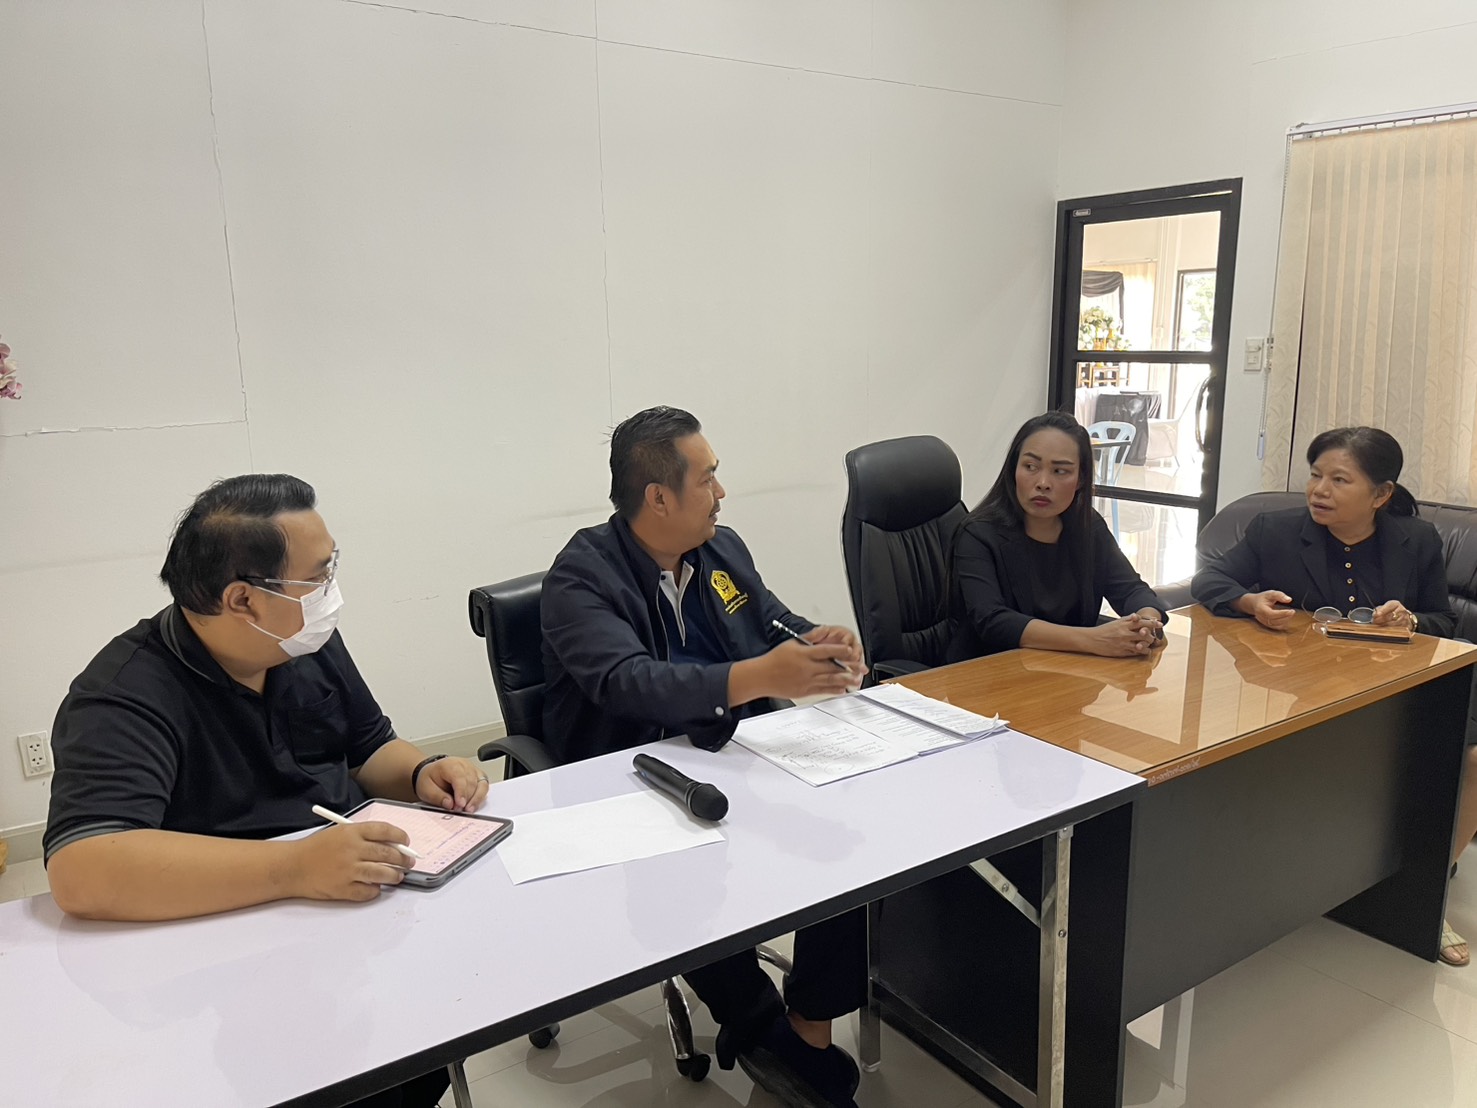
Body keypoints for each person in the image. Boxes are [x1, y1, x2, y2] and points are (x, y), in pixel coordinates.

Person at [43, 474, 489, 1108]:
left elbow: (368, 747)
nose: (331, 591)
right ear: (243, 600)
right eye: (319, 576)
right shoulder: (123, 695)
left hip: (349, 919)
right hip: (227, 948)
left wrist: (422, 771)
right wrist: (294, 867)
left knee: (422, 1043)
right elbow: (83, 870)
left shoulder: (301, 643)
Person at [542, 406, 870, 1108]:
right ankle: (758, 1025)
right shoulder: (581, 577)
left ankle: (808, 1028)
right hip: (632, 775)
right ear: (659, 497)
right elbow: (627, 683)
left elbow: (769, 620)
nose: (722, 493)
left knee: (845, 845)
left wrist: (815, 639)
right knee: (684, 879)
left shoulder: (721, 551)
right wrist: (758, 677)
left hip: (732, 751)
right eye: (708, 478)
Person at [1191, 426, 1472, 966]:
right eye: (1316, 475)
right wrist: (1250, 603)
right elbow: (1210, 579)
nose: (1319, 490)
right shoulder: (1274, 530)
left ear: (1381, 494)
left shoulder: (1417, 541)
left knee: (1475, 756)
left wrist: (1410, 621)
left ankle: (1428, 892)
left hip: (1397, 687)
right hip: (1304, 687)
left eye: (1340, 480)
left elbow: (1444, 620)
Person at [944, 410, 1169, 664]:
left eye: (1060, 471)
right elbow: (992, 621)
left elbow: (1131, 589)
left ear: (1080, 479)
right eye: (1030, 467)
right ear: (1013, 470)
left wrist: (1146, 623)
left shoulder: (1088, 527)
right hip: (990, 674)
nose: (1043, 482)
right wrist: (1094, 640)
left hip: (1070, 671)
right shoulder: (977, 534)